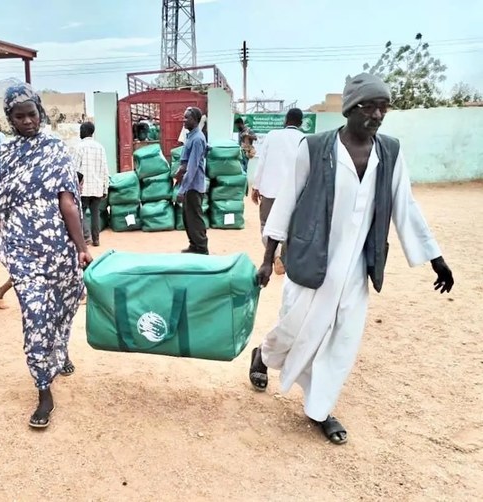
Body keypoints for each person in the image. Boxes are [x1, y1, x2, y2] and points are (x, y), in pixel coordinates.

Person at [248, 73, 454, 445]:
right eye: (369, 106)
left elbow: (405, 206)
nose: (377, 114)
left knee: (342, 338)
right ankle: (263, 354)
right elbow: (287, 202)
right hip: (313, 259)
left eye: (383, 107)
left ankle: (319, 409)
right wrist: (268, 257)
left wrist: (435, 258)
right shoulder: (315, 147)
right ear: (350, 108)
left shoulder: (389, 152)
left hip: (357, 267)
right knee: (295, 326)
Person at [0, 82, 92, 429]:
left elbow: (67, 202)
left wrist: (81, 247)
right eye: (20, 116)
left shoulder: (55, 149)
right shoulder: (6, 156)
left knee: (62, 306)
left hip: (58, 250)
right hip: (24, 252)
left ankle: (59, 353)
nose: (28, 121)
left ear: (40, 112)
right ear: (9, 119)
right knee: (34, 314)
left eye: (32, 114)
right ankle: (43, 388)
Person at [0, 172, 87, 311]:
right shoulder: (64, 200)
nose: (81, 188)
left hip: (44, 241)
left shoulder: (52, 194)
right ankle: (0, 292)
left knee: (33, 270)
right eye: (80, 184)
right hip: (47, 242)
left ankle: (0, 292)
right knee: (35, 270)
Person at [250, 108, 305, 274]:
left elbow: (262, 162)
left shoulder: (272, 135)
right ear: (301, 123)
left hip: (270, 190)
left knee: (266, 225)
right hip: (293, 192)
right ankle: (283, 256)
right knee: (290, 227)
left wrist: (256, 186)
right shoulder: (304, 139)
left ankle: (274, 255)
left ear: (285, 120)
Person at [175, 106, 209, 255]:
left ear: (195, 120)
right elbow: (185, 162)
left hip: (193, 186)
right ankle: (194, 245)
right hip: (189, 184)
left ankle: (201, 247)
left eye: (187, 117)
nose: (184, 120)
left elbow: (193, 167)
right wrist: (179, 171)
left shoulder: (197, 139)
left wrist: (183, 189)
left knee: (195, 218)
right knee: (187, 217)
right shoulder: (191, 136)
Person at [71, 121, 109, 246]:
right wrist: (105, 188)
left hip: (84, 188)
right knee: (95, 214)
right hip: (97, 187)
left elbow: (75, 169)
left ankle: (86, 237)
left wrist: (74, 187)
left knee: (81, 213)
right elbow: (105, 169)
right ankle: (96, 239)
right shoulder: (100, 148)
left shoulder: (78, 147)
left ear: (84, 131)